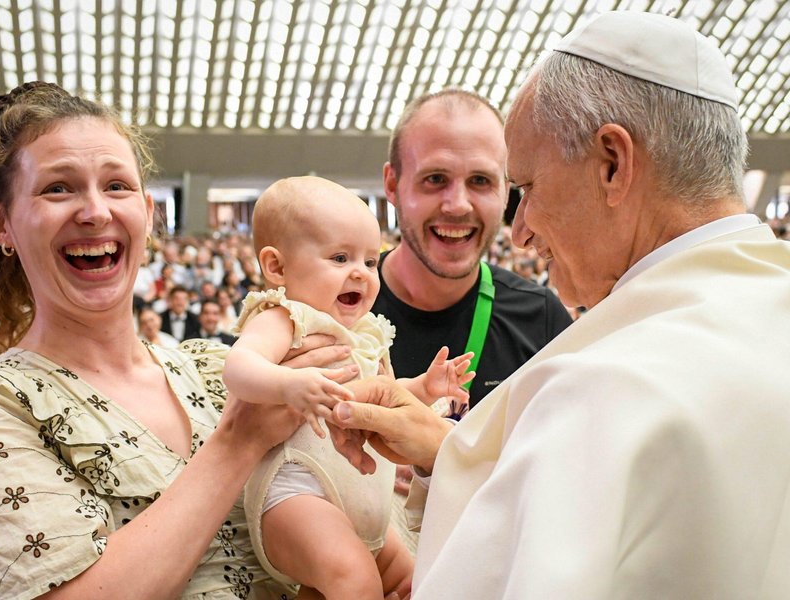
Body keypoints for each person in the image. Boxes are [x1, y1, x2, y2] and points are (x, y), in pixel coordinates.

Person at [329, 11, 790, 598]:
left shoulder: (604, 386)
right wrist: (448, 454)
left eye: (524, 188)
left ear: (613, 165)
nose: (519, 232)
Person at [0, 81, 344, 599]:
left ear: (148, 213)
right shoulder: (5, 403)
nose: (95, 211)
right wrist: (238, 442)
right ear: (2, 224)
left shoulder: (221, 364)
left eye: (117, 186)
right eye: (58, 188)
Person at [223, 175, 473, 600]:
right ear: (277, 267)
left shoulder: (367, 331)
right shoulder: (285, 317)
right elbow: (238, 367)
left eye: (371, 261)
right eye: (340, 258)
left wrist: (426, 389)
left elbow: (383, 399)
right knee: (354, 581)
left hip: (367, 504)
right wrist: (288, 384)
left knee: (416, 579)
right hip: (296, 493)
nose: (360, 272)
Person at [374, 88, 573, 408]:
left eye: (480, 181)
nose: (458, 205)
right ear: (393, 185)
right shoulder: (331, 308)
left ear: (505, 194)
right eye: (436, 178)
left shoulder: (540, 321)